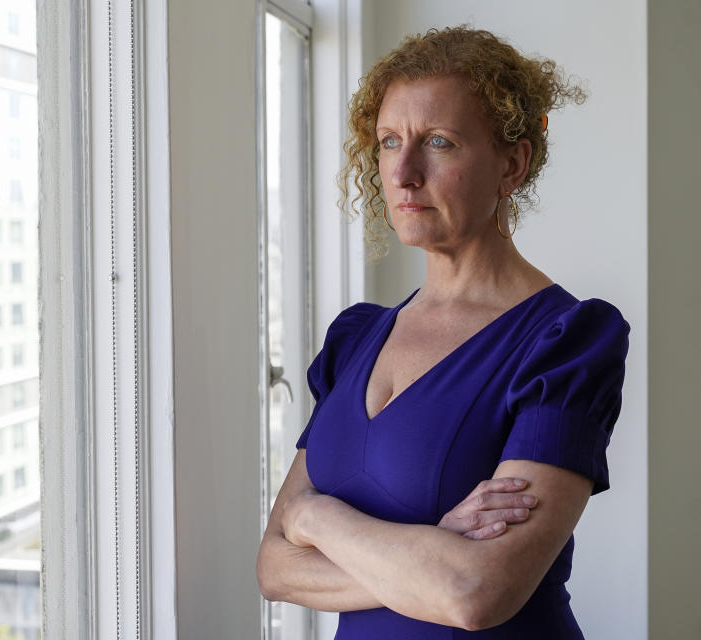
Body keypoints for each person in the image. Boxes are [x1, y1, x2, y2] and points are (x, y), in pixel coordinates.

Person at [256, 26, 630, 638]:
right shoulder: (355, 339)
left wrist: (315, 518)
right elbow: (273, 567)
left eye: (438, 142)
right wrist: (431, 550)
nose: (403, 173)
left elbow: (475, 591)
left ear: (512, 164)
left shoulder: (565, 341)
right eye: (387, 142)